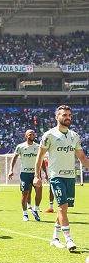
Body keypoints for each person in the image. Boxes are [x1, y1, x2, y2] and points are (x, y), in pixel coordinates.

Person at [34, 105, 89, 252]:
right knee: (62, 207)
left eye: (69, 115)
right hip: (56, 176)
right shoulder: (49, 135)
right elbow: (39, 156)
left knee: (63, 209)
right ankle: (69, 239)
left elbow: (82, 156)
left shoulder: (74, 136)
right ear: (56, 117)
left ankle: (55, 238)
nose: (68, 117)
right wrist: (36, 176)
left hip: (70, 177)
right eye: (64, 115)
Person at [9, 130, 45, 222]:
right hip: (24, 173)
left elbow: (42, 161)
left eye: (33, 134)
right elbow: (14, 158)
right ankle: (25, 214)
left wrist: (45, 172)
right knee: (25, 194)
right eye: (30, 134)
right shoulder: (20, 147)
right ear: (26, 136)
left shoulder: (38, 147)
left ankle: (36, 209)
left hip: (36, 173)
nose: (32, 135)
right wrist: (11, 170)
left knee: (39, 191)